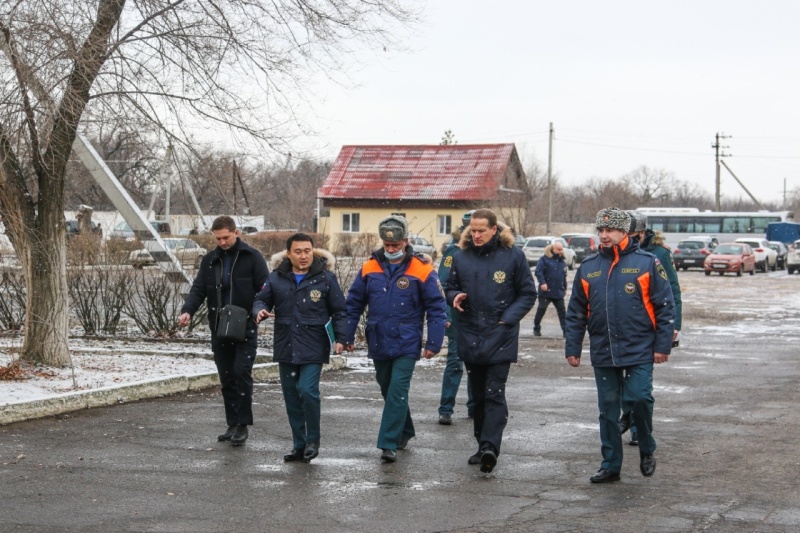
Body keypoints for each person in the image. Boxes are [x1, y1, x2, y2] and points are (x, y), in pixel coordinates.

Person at [565, 208, 675, 483]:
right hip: (603, 349)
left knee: (639, 397)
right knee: (608, 409)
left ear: (624, 232)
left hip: (640, 347)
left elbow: (665, 306)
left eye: (610, 230)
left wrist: (663, 346)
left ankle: (647, 447)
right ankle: (611, 464)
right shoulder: (589, 267)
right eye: (600, 230)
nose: (604, 235)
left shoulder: (647, 263)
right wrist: (573, 347)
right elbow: (577, 311)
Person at [345, 215, 447, 463]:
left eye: (396, 245)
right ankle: (406, 430)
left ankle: (387, 443)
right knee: (387, 387)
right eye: (387, 245)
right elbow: (354, 303)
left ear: (405, 241)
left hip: (407, 340)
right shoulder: (370, 267)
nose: (391, 249)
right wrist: (346, 333)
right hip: (378, 338)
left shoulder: (422, 270)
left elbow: (436, 308)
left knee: (398, 389)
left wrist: (434, 342)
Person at [444, 208, 536, 473]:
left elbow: (527, 294)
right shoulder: (461, 258)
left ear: (494, 230)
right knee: (478, 395)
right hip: (471, 332)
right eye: (472, 230)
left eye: (481, 230)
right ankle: (481, 444)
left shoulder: (513, 257)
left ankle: (490, 447)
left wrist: (507, 319)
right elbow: (449, 287)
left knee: (494, 393)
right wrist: (454, 297)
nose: (476, 235)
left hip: (501, 334)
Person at [252, 233, 347, 463]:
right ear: (288, 254)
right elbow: (260, 299)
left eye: (307, 251)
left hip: (314, 342)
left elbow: (340, 310)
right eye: (298, 251)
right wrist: (260, 310)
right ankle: (299, 444)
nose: (303, 256)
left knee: (307, 390)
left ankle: (313, 441)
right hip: (286, 343)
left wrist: (341, 337)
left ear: (313, 252)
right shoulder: (276, 278)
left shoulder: (325, 278)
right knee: (292, 396)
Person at [179, 215, 269, 446]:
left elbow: (266, 288)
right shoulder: (210, 260)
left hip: (245, 324)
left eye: (226, 237)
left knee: (241, 373)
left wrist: (261, 309)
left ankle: (243, 424)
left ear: (236, 232)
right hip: (219, 325)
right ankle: (232, 423)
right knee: (226, 376)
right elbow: (199, 288)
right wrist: (188, 310)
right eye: (218, 238)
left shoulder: (252, 257)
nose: (222, 242)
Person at [620, 212, 683, 446]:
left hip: (649, 327)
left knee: (641, 385)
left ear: (642, 233)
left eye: (632, 234)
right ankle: (627, 414)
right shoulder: (617, 251)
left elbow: (673, 291)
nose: (629, 238)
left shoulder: (660, 254)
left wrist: (675, 325)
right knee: (622, 381)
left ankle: (639, 427)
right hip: (623, 327)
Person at [436, 211, 475, 425]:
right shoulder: (454, 251)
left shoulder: (489, 253)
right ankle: (446, 409)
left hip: (479, 319)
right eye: (472, 229)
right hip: (458, 318)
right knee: (455, 364)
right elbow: (443, 285)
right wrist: (447, 314)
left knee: (477, 365)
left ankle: (474, 406)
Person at [532, 241, 568, 338]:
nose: (561, 251)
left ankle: (566, 331)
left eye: (561, 249)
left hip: (558, 292)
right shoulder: (544, 259)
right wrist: (543, 282)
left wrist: (564, 288)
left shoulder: (562, 262)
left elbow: (564, 276)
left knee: (562, 312)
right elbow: (538, 271)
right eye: (559, 249)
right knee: (541, 309)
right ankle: (536, 327)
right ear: (553, 249)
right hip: (545, 292)